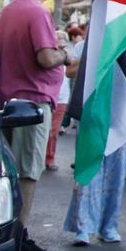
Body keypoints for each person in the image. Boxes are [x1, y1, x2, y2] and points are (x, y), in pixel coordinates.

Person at [0, 0, 69, 251]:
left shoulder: (10, 10)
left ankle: (12, 232)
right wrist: (63, 55)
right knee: (26, 171)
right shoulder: (37, 12)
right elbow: (46, 57)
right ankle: (18, 236)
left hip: (10, 99)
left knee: (14, 170)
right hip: (31, 103)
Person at [64, 36, 126, 245]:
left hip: (123, 117)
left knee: (117, 172)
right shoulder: (95, 39)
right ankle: (83, 227)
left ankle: (108, 226)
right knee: (89, 170)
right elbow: (70, 72)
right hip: (93, 115)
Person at [47, 24, 85, 171]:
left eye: (63, 38)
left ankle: (50, 158)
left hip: (62, 97)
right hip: (48, 96)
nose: (61, 41)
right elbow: (70, 72)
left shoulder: (69, 54)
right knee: (46, 129)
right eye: (58, 38)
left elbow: (70, 75)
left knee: (54, 130)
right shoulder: (49, 55)